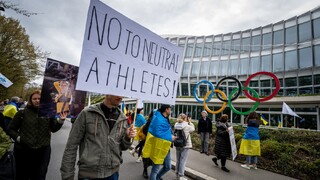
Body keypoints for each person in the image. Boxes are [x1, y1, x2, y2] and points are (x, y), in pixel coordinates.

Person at [60, 95, 136, 180]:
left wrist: (127, 137)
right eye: (118, 93)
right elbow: (71, 146)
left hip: (112, 174)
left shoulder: (123, 119)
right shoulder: (87, 113)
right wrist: (67, 176)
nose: (121, 97)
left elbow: (122, 147)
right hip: (88, 175)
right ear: (107, 92)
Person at [7, 90, 66, 180]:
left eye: (39, 98)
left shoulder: (48, 113)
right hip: (24, 150)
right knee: (22, 176)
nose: (37, 100)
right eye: (34, 98)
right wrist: (19, 138)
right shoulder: (22, 113)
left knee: (40, 176)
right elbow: (11, 129)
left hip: (43, 150)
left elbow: (53, 128)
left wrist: (61, 121)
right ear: (31, 100)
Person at [142, 104, 176, 180]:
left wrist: (171, 135)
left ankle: (158, 177)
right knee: (155, 170)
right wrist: (170, 137)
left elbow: (165, 130)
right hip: (157, 146)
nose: (171, 110)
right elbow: (157, 132)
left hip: (165, 146)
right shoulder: (158, 119)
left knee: (168, 166)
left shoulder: (165, 118)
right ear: (166, 109)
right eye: (170, 109)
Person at [174, 113, 195, 180]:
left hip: (177, 144)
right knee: (183, 160)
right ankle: (181, 176)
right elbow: (193, 129)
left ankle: (177, 173)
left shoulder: (176, 125)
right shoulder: (187, 126)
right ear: (185, 118)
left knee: (178, 160)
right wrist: (190, 122)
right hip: (185, 145)